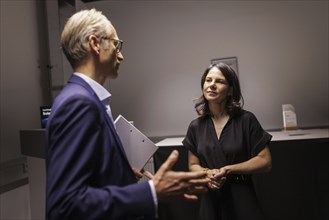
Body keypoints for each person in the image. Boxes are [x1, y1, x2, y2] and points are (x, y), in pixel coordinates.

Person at [45, 8, 208, 220]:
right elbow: (65, 205)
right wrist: (152, 192)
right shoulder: (79, 103)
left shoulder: (86, 100)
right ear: (94, 44)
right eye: (116, 44)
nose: (121, 55)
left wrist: (118, 172)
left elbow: (87, 180)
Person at [182, 62, 272, 220]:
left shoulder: (246, 120)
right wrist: (208, 173)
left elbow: (265, 162)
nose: (212, 85)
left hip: (242, 196)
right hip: (211, 198)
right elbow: (193, 165)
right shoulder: (195, 126)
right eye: (208, 80)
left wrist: (228, 169)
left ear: (231, 89)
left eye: (220, 81)